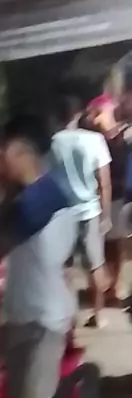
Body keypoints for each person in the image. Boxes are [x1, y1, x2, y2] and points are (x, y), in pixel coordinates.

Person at [0, 116, 76, 398]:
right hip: (34, 311)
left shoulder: (34, 203)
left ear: (22, 151)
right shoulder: (55, 192)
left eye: (3, 151)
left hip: (38, 319)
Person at [49, 89, 112, 327]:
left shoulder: (52, 143)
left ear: (57, 115)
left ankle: (70, 316)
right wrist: (106, 215)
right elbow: (104, 182)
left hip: (61, 214)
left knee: (65, 267)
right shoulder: (94, 140)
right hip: (90, 211)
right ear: (78, 114)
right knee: (95, 264)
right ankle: (98, 314)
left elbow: (46, 180)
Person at [86, 94, 128, 304]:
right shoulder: (93, 137)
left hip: (117, 194)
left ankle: (113, 286)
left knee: (116, 244)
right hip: (98, 195)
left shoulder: (122, 135)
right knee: (99, 245)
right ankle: (101, 288)